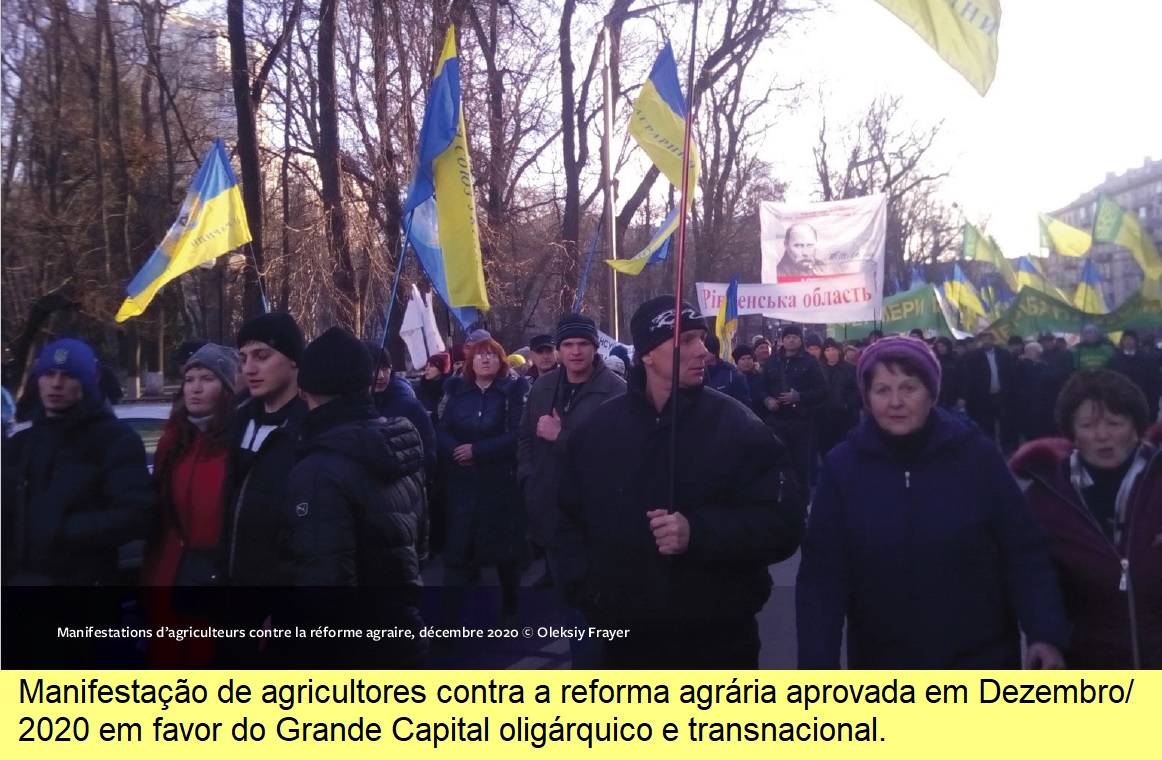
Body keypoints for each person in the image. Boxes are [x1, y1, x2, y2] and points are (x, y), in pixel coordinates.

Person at [555, 295, 805, 669]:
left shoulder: (739, 427)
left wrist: (699, 532)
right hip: (625, 644)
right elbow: (565, 520)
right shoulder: (597, 431)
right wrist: (589, 594)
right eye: (685, 340)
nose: (702, 351)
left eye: (701, 339)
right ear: (647, 354)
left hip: (718, 642)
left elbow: (783, 524)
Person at [796, 337, 1070, 669]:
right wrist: (817, 664)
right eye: (882, 390)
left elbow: (1023, 550)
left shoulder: (976, 457)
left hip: (980, 656)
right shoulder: (843, 467)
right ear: (867, 397)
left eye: (909, 388)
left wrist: (1044, 632)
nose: (895, 401)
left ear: (931, 392)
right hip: (883, 661)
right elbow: (822, 576)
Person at [283, 327, 428, 667]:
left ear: (304, 390)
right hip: (402, 636)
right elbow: (418, 551)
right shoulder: (400, 448)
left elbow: (324, 593)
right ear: (366, 384)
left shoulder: (319, 469)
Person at [1010, 371, 1161, 668]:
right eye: (1088, 425)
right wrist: (1045, 636)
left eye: (1115, 423)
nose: (1102, 435)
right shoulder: (1047, 495)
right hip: (1087, 660)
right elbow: (1033, 574)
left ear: (1135, 427)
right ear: (1072, 432)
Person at [517, 314, 625, 662]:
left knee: (591, 609)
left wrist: (561, 437)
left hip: (596, 519)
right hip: (551, 513)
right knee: (567, 604)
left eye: (583, 344)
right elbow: (525, 439)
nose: (576, 351)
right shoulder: (542, 387)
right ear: (559, 350)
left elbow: (616, 457)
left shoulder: (617, 391)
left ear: (595, 348)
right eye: (568, 345)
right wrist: (529, 478)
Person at [2, 338, 153, 585]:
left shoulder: (115, 439)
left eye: (68, 375)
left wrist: (63, 529)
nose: (56, 384)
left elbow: (137, 515)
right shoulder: (21, 442)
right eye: (48, 374)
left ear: (87, 382)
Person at [141, 344, 237, 667]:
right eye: (190, 378)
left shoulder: (238, 441)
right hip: (168, 574)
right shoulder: (174, 440)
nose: (195, 387)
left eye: (207, 378)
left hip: (216, 578)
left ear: (227, 387)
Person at [437, 336, 529, 629]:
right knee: (457, 552)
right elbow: (442, 427)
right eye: (480, 355)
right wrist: (456, 450)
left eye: (491, 354)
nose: (485, 359)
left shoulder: (513, 390)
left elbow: (516, 433)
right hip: (462, 484)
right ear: (471, 361)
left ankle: (511, 609)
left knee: (505, 552)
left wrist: (478, 451)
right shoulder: (456, 391)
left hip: (499, 483)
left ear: (500, 360)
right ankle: (448, 625)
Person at [223, 312, 308, 586]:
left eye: (262, 356)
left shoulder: (312, 430)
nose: (248, 369)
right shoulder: (234, 421)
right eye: (244, 358)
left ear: (293, 359)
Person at [761, 324, 827, 502]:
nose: (791, 340)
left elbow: (822, 391)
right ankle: (780, 502)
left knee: (800, 466)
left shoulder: (810, 361)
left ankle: (802, 505)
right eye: (787, 337)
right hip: (776, 421)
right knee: (778, 464)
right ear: (782, 340)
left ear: (800, 340)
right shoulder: (773, 360)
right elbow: (762, 386)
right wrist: (767, 399)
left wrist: (798, 397)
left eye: (795, 337)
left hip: (801, 422)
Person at [364, 341, 437, 483]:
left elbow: (428, 454)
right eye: (374, 368)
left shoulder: (410, 406)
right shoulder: (353, 407)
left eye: (385, 368)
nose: (381, 376)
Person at [963, 330, 1018, 452]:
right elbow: (970, 378)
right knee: (987, 425)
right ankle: (990, 450)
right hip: (984, 397)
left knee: (1005, 423)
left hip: (1001, 395)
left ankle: (1007, 448)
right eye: (983, 340)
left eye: (988, 339)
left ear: (993, 340)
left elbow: (1011, 375)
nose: (986, 342)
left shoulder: (1003, 354)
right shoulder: (974, 357)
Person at [815, 337, 860, 457]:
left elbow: (856, 390)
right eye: (827, 350)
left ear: (839, 351)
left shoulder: (849, 368)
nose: (831, 352)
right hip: (823, 417)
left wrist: (847, 405)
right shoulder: (818, 368)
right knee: (826, 450)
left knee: (844, 450)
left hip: (844, 416)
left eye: (833, 349)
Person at [1107, 329, 1160, 423]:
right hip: (1121, 402)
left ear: (1136, 341)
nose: (1128, 342)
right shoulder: (1115, 359)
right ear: (1122, 341)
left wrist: (1154, 406)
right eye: (1125, 339)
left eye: (1131, 339)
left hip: (1143, 400)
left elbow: (1153, 382)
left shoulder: (1146, 359)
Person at [1014, 342, 1061, 441]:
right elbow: (1016, 377)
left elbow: (1053, 377)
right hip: (1028, 404)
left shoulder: (1046, 364)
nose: (1028, 353)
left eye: (1031, 351)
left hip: (1045, 404)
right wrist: (1026, 363)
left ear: (1038, 352)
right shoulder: (1022, 365)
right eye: (1026, 351)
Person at [702, 334, 752, 406]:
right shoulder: (695, 372)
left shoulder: (733, 375)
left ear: (713, 352)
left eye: (704, 348)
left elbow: (745, 407)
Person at [732, 345, 767, 420]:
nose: (746, 362)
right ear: (737, 361)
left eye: (749, 358)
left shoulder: (760, 376)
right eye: (743, 359)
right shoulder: (732, 379)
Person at [415, 352, 451, 424]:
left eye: (431, 366)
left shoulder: (447, 390)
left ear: (440, 370)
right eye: (426, 365)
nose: (427, 369)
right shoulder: (420, 388)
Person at [932, 337, 966, 413]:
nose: (940, 349)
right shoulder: (935, 360)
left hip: (954, 398)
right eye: (938, 346)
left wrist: (962, 397)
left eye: (942, 346)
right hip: (939, 399)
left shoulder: (957, 360)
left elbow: (964, 379)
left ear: (947, 346)